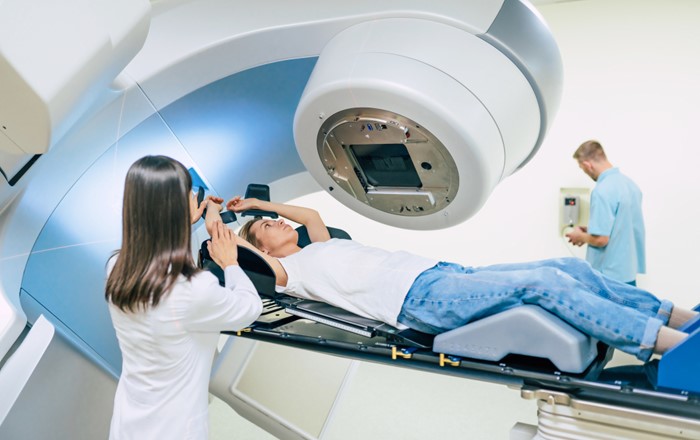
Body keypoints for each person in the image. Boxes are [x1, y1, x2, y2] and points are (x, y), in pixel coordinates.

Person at [204, 195, 698, 364]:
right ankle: (670, 345)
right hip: (420, 301)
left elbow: (309, 212)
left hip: (441, 273)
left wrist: (260, 205)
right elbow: (234, 249)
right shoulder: (290, 273)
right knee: (547, 285)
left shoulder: (321, 241)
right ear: (261, 248)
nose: (278, 225)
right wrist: (220, 221)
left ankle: (681, 318)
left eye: (274, 221)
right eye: (268, 228)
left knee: (567, 266)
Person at [105, 156, 263, 440]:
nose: (196, 197)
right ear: (175, 210)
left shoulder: (117, 266)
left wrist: (184, 223)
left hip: (130, 422)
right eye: (191, 192)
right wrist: (231, 263)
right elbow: (250, 308)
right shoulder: (195, 289)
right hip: (175, 429)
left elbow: (169, 266)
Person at [566, 140, 646, 285]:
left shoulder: (602, 190)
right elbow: (622, 229)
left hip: (608, 277)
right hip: (628, 274)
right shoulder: (631, 185)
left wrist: (580, 236)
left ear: (587, 165)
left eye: (582, 168)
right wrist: (590, 230)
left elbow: (601, 239)